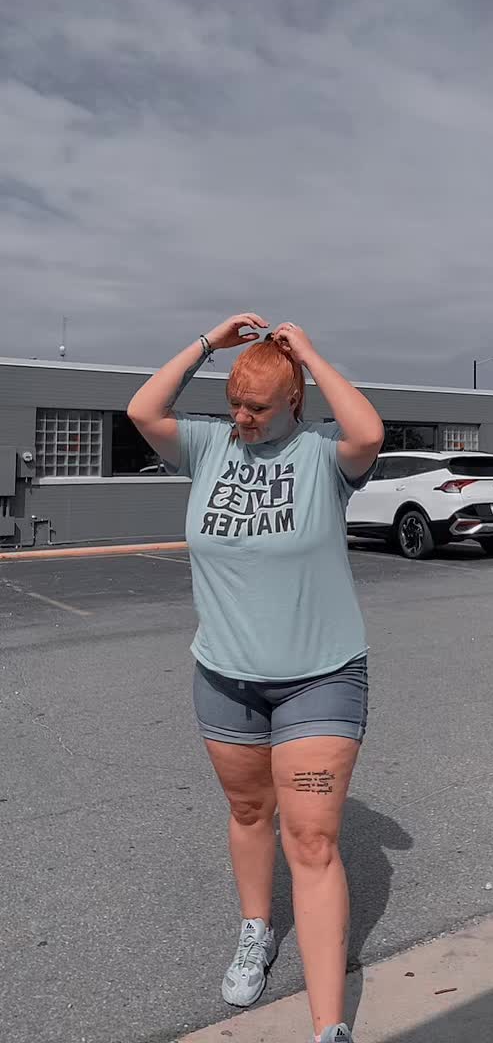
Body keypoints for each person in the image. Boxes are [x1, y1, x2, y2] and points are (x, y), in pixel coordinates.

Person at [127, 313, 384, 1043]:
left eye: (258, 407)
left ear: (293, 400)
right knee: (248, 812)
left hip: (320, 677)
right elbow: (143, 409)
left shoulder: (323, 456)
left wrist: (308, 354)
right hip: (225, 677)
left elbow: (368, 432)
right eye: (235, 403)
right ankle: (256, 930)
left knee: (312, 840)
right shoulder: (208, 445)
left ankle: (329, 1026)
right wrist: (211, 343)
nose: (242, 417)